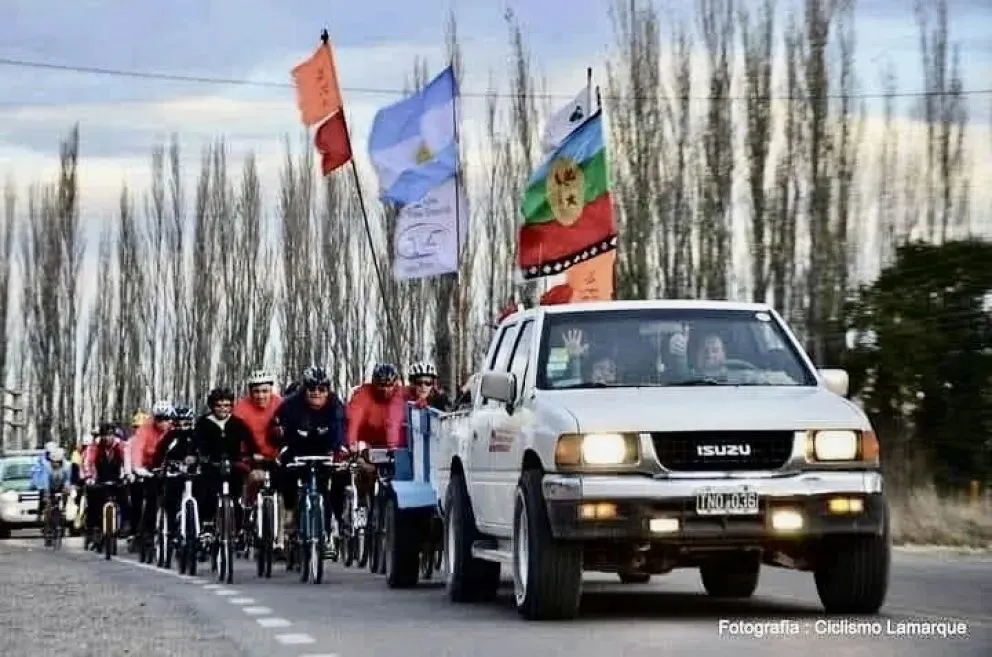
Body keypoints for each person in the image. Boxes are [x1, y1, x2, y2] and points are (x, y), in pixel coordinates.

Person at [272, 366, 347, 550]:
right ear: (304, 390)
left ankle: (328, 532)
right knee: (287, 473)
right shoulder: (290, 405)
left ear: (328, 390)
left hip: (323, 449)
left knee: (326, 488)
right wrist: (280, 439)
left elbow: (339, 430)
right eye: (312, 389)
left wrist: (338, 451)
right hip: (297, 449)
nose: (316, 393)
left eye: (322, 389)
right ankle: (290, 513)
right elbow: (276, 428)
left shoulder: (335, 405)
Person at [346, 363, 407, 515]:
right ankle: (362, 501)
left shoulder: (401, 394)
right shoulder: (363, 394)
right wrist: (351, 442)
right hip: (369, 444)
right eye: (381, 385)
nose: (386, 390)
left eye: (389, 385)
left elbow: (418, 396)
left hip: (393, 447)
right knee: (365, 469)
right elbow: (354, 418)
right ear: (373, 383)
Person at [192, 388, 252, 535]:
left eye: (226, 405)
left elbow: (249, 442)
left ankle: (238, 529)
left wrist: (251, 456)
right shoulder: (204, 423)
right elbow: (195, 443)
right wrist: (197, 456)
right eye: (219, 405)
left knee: (236, 496)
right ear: (212, 406)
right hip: (212, 464)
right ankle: (206, 524)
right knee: (206, 492)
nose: (223, 409)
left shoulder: (238, 423)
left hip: (233, 465)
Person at [233, 370, 282, 509]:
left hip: (275, 457)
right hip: (251, 457)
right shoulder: (241, 409)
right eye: (257, 391)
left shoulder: (280, 404)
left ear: (271, 390)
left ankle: (286, 523)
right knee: (255, 477)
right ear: (250, 392)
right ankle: (248, 507)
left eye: (265, 391)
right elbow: (237, 436)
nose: (261, 396)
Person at [153, 405, 198, 539]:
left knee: (204, 492)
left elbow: (205, 452)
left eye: (186, 423)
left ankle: (202, 527)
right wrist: (157, 468)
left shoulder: (196, 437)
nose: (183, 426)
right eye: (179, 423)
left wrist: (198, 460)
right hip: (174, 474)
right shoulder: (170, 437)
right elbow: (159, 454)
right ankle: (172, 528)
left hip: (194, 475)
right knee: (170, 498)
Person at [130, 401, 173, 538]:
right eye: (159, 419)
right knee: (151, 498)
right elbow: (138, 447)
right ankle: (147, 531)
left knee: (174, 497)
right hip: (151, 467)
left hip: (170, 466)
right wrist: (137, 467)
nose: (163, 423)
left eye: (166, 418)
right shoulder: (146, 429)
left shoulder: (174, 428)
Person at [82, 423, 127, 548]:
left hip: (116, 479)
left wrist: (128, 475)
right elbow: (88, 463)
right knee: (93, 500)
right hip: (99, 480)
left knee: (124, 497)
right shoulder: (94, 447)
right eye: (105, 435)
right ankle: (93, 528)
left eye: (110, 435)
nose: (108, 438)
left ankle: (125, 524)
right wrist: (89, 477)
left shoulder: (120, 446)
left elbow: (127, 461)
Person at [33, 445, 72, 544]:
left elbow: (67, 480)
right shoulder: (47, 468)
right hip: (50, 487)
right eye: (52, 462)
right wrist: (47, 495)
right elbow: (45, 482)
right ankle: (47, 525)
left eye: (57, 462)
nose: (55, 464)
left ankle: (63, 509)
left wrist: (66, 489)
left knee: (66, 492)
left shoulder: (67, 467)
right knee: (48, 503)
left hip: (60, 486)